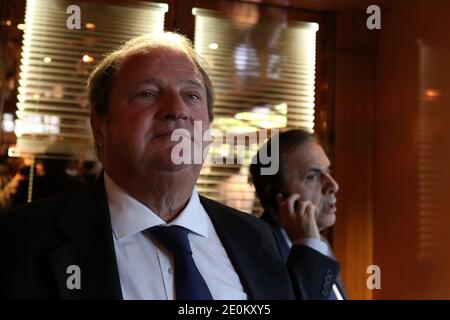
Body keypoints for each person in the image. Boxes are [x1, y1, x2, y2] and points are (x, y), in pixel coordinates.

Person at [0, 32, 338, 300]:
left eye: (192, 96)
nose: (176, 110)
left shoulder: (259, 239)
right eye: (147, 94)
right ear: (100, 127)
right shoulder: (18, 241)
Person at [250, 129, 347, 299]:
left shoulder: (318, 242)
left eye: (328, 172)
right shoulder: (257, 254)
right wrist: (309, 245)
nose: (333, 185)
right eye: (312, 177)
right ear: (277, 196)